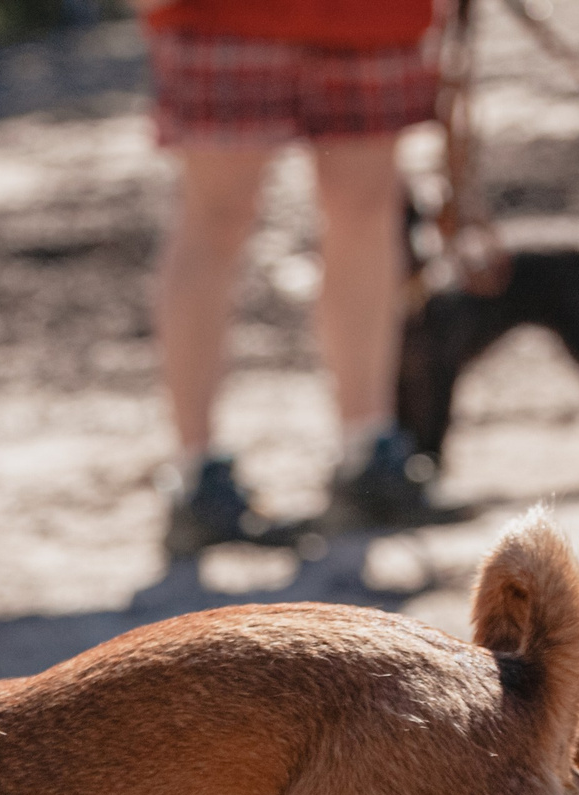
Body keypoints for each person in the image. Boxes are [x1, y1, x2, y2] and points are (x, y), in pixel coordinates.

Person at [144, 0, 465, 556]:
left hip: (374, 17)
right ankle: (196, 478)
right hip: (219, 16)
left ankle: (369, 456)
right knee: (215, 218)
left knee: (367, 212)